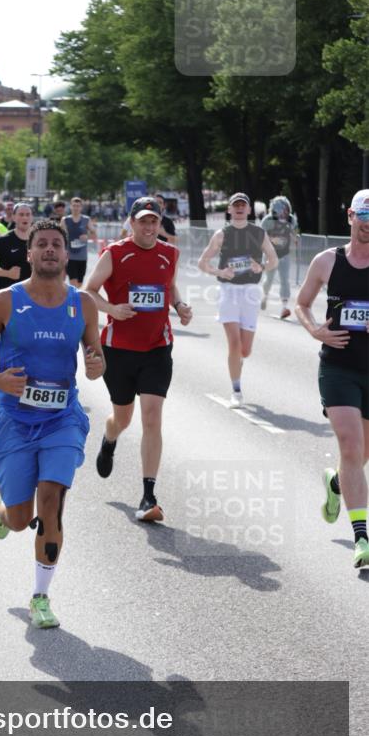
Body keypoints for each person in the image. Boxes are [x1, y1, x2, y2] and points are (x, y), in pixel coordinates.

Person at [0, 218, 105, 628]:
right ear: (28, 253)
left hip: (62, 419)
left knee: (52, 499)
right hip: (16, 422)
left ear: (66, 253)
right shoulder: (6, 301)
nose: (48, 250)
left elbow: (96, 361)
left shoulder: (84, 304)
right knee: (22, 518)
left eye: (55, 245)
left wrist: (97, 365)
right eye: (40, 244)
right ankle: (4, 510)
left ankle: (41, 596)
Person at [85, 196, 193, 521]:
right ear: (131, 223)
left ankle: (148, 496)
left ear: (160, 224)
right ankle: (109, 437)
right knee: (124, 418)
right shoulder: (115, 253)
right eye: (143, 221)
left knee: (151, 417)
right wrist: (111, 309)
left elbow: (169, 287)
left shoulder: (169, 253)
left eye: (154, 221)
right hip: (119, 351)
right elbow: (88, 291)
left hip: (157, 349)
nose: (148, 227)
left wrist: (180, 306)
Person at [295, 188, 369, 570]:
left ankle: (337, 484)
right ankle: (363, 539)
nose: (368, 227)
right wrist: (314, 331)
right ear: (350, 217)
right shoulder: (328, 261)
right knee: (351, 447)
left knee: (360, 456)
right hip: (338, 366)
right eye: (363, 218)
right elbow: (302, 302)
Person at [197, 192, 278, 406]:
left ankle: (237, 363)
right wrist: (219, 273)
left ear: (249, 210)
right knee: (233, 343)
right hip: (228, 292)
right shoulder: (221, 235)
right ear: (230, 210)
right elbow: (202, 263)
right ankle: (236, 390)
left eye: (243, 205)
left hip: (251, 292)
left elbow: (273, 260)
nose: (240, 208)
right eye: (236, 205)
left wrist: (260, 266)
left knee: (245, 350)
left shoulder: (259, 233)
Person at [261, 195, 299, 319]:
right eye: (281, 209)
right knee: (269, 279)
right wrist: (272, 240)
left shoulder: (291, 220)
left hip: (284, 254)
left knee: (285, 280)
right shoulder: (268, 220)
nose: (284, 212)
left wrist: (295, 238)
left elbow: (293, 233)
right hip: (270, 254)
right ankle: (264, 296)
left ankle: (284, 306)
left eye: (286, 209)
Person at [0, 202, 33, 290]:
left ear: (32, 218)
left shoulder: (38, 241)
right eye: (21, 214)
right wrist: (8, 273)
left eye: (28, 215)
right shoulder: (3, 240)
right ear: (14, 217)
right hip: (8, 294)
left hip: (32, 294)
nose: (25, 217)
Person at [62, 197, 97, 287]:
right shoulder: (65, 220)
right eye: (74, 206)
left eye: (78, 206)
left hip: (82, 257)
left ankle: (75, 300)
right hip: (70, 256)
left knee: (80, 284)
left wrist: (87, 236)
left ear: (81, 207)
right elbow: (60, 236)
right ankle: (73, 300)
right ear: (70, 207)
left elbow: (94, 234)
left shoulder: (86, 220)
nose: (76, 208)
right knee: (73, 283)